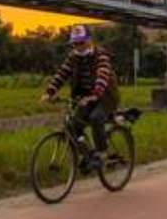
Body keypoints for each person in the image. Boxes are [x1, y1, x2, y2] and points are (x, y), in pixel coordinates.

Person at [40, 24, 120, 169]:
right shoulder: (74, 57)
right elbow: (62, 74)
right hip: (83, 98)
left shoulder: (100, 54)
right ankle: (88, 154)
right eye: (75, 43)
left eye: (81, 42)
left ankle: (102, 153)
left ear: (89, 40)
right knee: (73, 126)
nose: (78, 46)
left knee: (95, 118)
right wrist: (49, 92)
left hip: (105, 97)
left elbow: (102, 76)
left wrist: (95, 95)